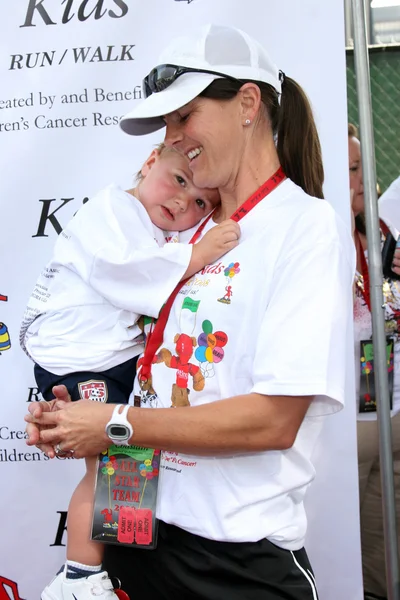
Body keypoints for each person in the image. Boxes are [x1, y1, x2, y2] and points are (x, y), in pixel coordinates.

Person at [25, 24, 355, 600]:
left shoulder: (303, 226)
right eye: (166, 126)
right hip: (135, 535)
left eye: (184, 115)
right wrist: (73, 416)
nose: (174, 136)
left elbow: (273, 420)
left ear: (248, 103)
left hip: (232, 564)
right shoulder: (179, 226)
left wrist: (115, 424)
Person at [20, 143, 239, 600]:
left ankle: (122, 563)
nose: (183, 202)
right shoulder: (112, 209)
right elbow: (122, 272)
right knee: (110, 463)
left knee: (132, 459)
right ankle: (78, 581)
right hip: (81, 360)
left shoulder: (157, 235)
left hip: (111, 359)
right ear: (150, 160)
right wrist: (197, 255)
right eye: (179, 180)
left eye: (199, 202)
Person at [349, 123, 400, 599]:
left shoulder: (382, 230)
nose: (364, 179)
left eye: (364, 167)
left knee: (389, 529)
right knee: (355, 528)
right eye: (351, 170)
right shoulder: (322, 241)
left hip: (391, 400)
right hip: (350, 416)